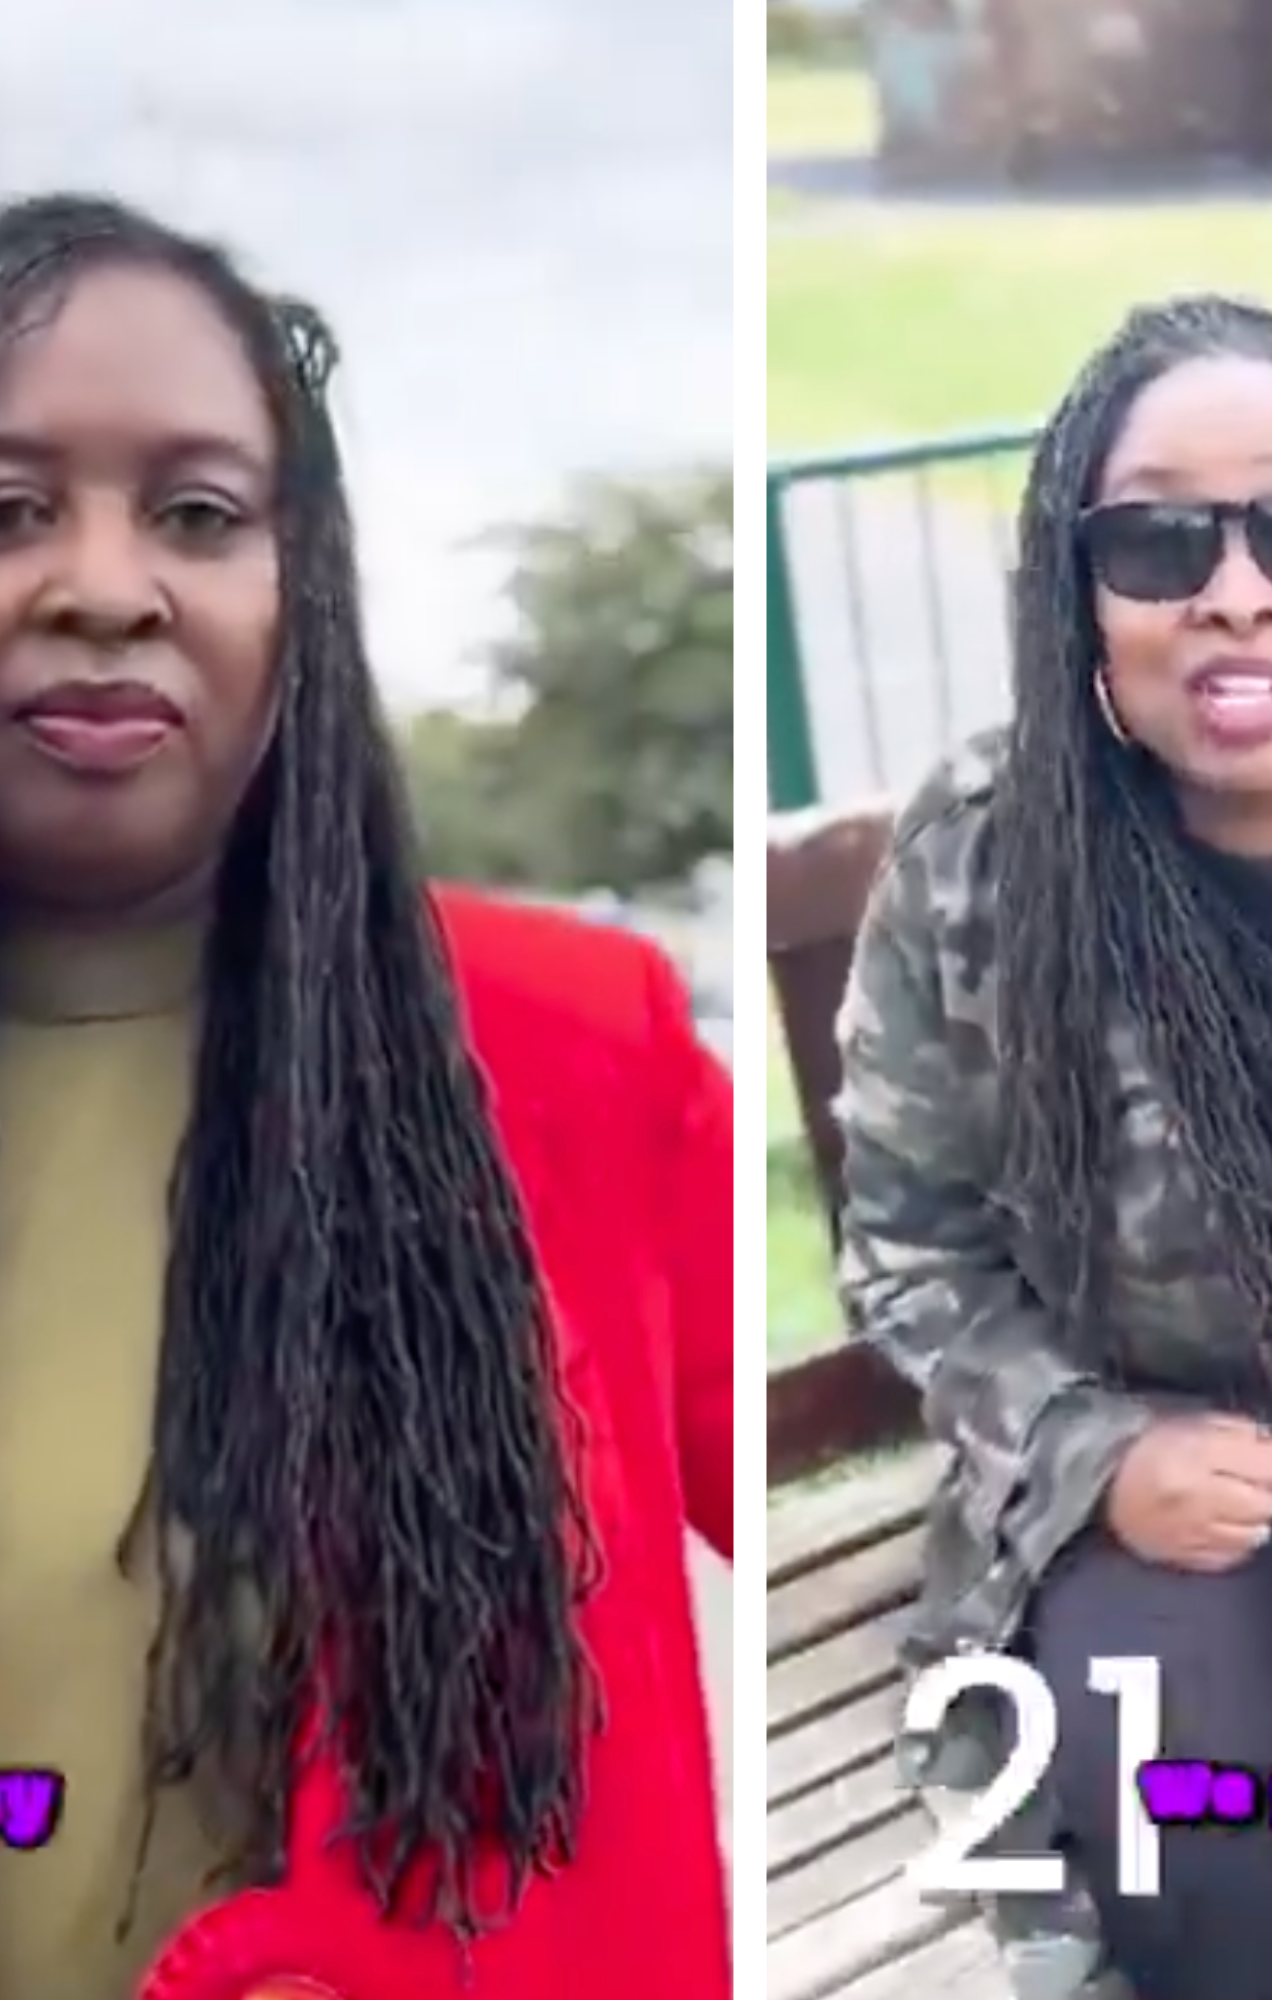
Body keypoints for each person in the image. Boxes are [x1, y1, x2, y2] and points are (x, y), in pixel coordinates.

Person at [0, 193, 732, 2000]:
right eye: (8, 508)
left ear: (295, 586)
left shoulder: (567, 1050)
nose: (103, 581)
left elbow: (915, 1391)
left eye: (197, 511)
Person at [836, 293, 1272, 2000]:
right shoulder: (989, 862)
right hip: (1169, 1464)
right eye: (1152, 539)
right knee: (1206, 1872)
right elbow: (913, 1253)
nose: (1235, 585)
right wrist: (1091, 1452)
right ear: (1081, 595)